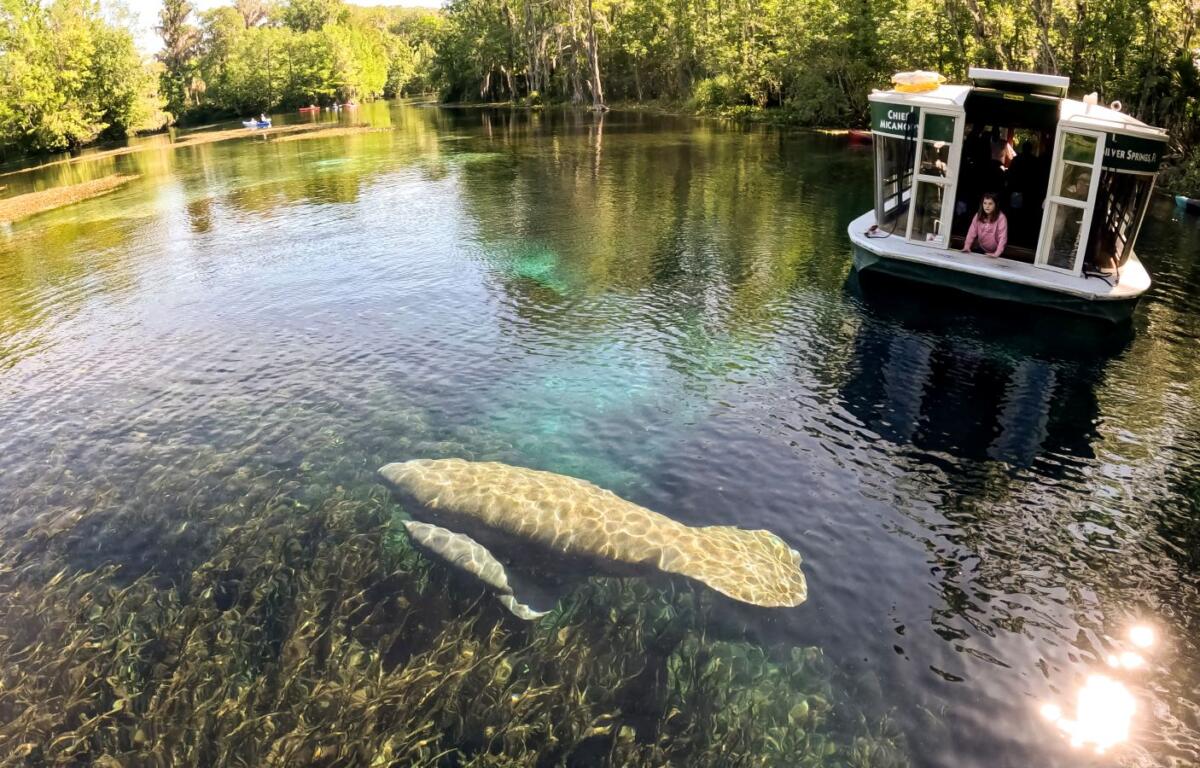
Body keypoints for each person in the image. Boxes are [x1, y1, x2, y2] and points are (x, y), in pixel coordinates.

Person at [962, 193, 1008, 259]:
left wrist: (997, 253)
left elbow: (1003, 237)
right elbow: (971, 232)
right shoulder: (978, 215)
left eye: (990, 203)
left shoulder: (1001, 218)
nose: (987, 206)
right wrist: (967, 246)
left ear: (996, 205)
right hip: (981, 248)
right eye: (985, 203)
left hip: (997, 252)